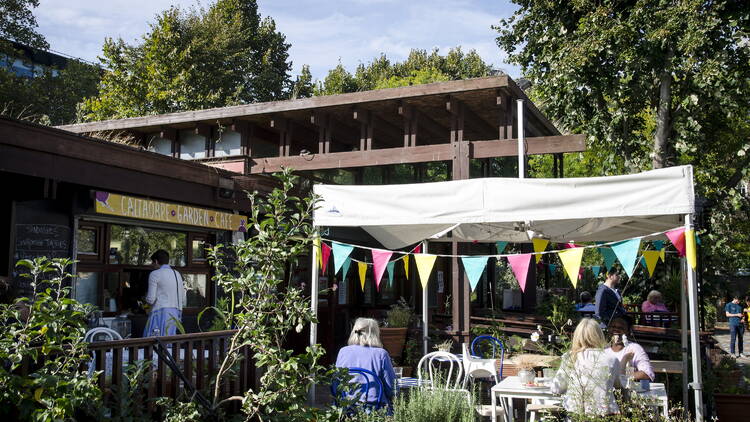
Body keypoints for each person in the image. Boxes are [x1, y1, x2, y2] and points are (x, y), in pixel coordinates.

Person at [551, 318, 622, 416]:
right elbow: (618, 385)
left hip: (576, 412)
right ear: (599, 336)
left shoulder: (571, 357)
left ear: (577, 336)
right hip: (604, 413)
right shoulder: (612, 359)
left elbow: (557, 388)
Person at [335, 318, 396, 409]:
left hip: (346, 407)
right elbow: (392, 388)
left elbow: (336, 383)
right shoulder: (381, 354)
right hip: (375, 407)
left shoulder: (343, 352)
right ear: (375, 334)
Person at [143, 249, 186, 337]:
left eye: (152, 263)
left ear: (156, 261)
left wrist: (145, 299)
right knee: (170, 344)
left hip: (160, 313)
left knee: (154, 343)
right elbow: (182, 297)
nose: (152, 265)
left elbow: (151, 299)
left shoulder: (155, 274)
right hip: (175, 314)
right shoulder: (177, 273)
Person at [605, 317, 654, 381]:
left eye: (620, 328)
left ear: (628, 331)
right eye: (613, 327)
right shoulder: (603, 349)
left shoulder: (634, 349)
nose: (616, 329)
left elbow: (647, 373)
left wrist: (622, 377)